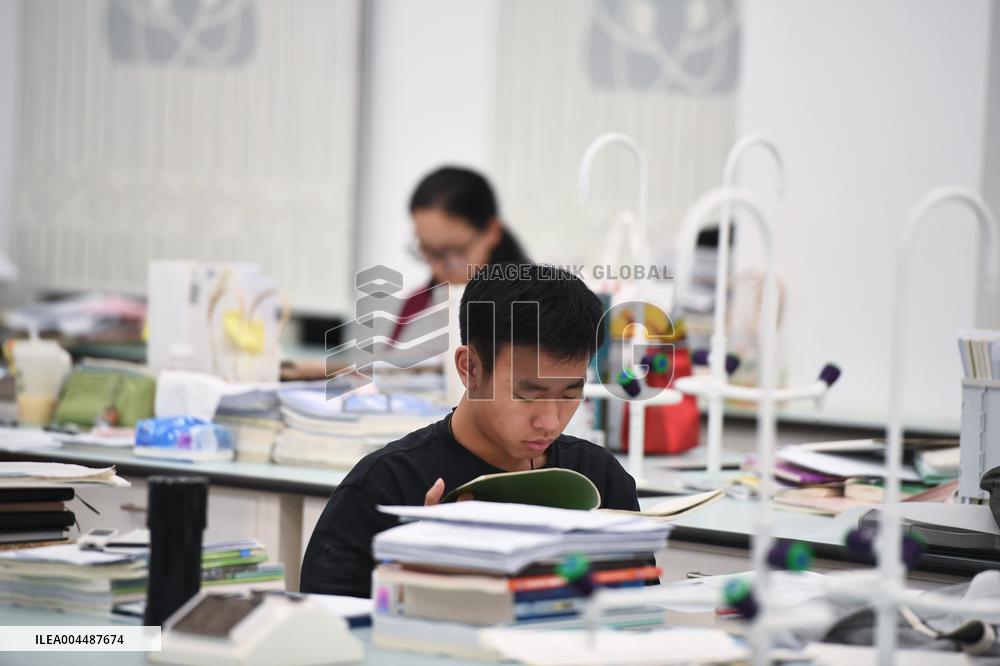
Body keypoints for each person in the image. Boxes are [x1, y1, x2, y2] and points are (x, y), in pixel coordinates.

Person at [300, 265, 640, 598]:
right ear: (470, 368)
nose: (549, 421)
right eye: (527, 394)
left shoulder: (598, 480)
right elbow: (327, 638)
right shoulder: (384, 489)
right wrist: (419, 584)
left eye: (569, 394)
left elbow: (635, 622)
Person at [392, 166, 529, 342]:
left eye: (452, 252)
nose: (437, 269)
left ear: (491, 232)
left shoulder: (531, 309)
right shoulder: (416, 304)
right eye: (426, 250)